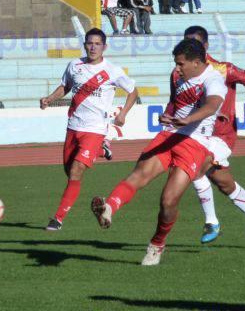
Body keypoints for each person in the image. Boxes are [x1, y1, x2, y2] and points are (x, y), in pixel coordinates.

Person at [91, 38, 227, 265]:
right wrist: (168, 117)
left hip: (194, 144)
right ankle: (108, 207)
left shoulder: (214, 80)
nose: (177, 68)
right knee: (139, 175)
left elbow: (211, 105)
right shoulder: (179, 77)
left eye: (181, 64)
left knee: (168, 200)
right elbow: (175, 103)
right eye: (176, 63)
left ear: (196, 62)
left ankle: (157, 245)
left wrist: (186, 121)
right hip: (168, 135)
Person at [40, 28, 138, 231]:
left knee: (76, 171)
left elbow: (133, 91)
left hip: (95, 129)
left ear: (104, 47)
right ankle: (102, 150)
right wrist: (49, 98)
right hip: (73, 126)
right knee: (69, 172)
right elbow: (64, 86)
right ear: (85, 44)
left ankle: (57, 219)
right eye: (89, 43)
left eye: (97, 44)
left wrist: (123, 114)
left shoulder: (112, 70)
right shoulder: (74, 65)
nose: (93, 47)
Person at [178, 26, 245, 245]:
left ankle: (212, 222)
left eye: (196, 43)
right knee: (224, 183)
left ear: (206, 46)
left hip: (222, 134)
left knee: (194, 167)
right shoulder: (180, 73)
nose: (191, 48)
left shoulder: (222, 70)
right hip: (196, 134)